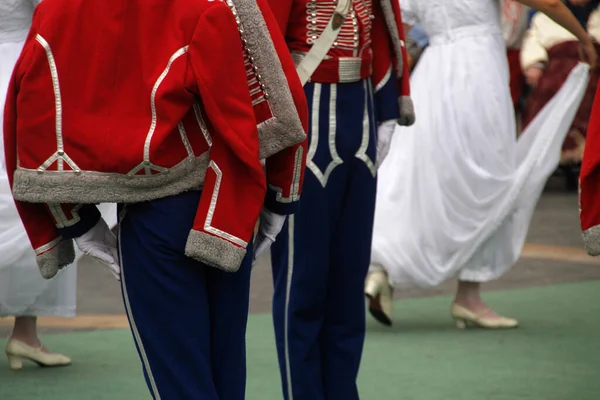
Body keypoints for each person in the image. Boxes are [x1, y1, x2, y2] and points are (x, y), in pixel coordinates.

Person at [4, 0, 307, 398]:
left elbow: (31, 111)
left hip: (153, 215)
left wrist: (79, 223)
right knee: (226, 375)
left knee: (179, 385)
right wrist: (279, 199)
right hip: (230, 203)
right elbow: (280, 98)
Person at [365, 0, 596, 329]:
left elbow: (395, 29)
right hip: (477, 75)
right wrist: (584, 40)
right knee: (489, 178)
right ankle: (468, 295)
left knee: (419, 171)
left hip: (432, 75)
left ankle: (382, 268)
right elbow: (548, 2)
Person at [266, 1, 414, 398]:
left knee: (349, 279)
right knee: (303, 281)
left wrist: (386, 108)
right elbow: (263, 39)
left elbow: (383, 27)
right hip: (305, 110)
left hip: (360, 111)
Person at [0, 0, 118, 370]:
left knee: (26, 193)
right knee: (37, 194)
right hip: (22, 69)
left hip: (21, 62)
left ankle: (26, 334)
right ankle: (25, 333)